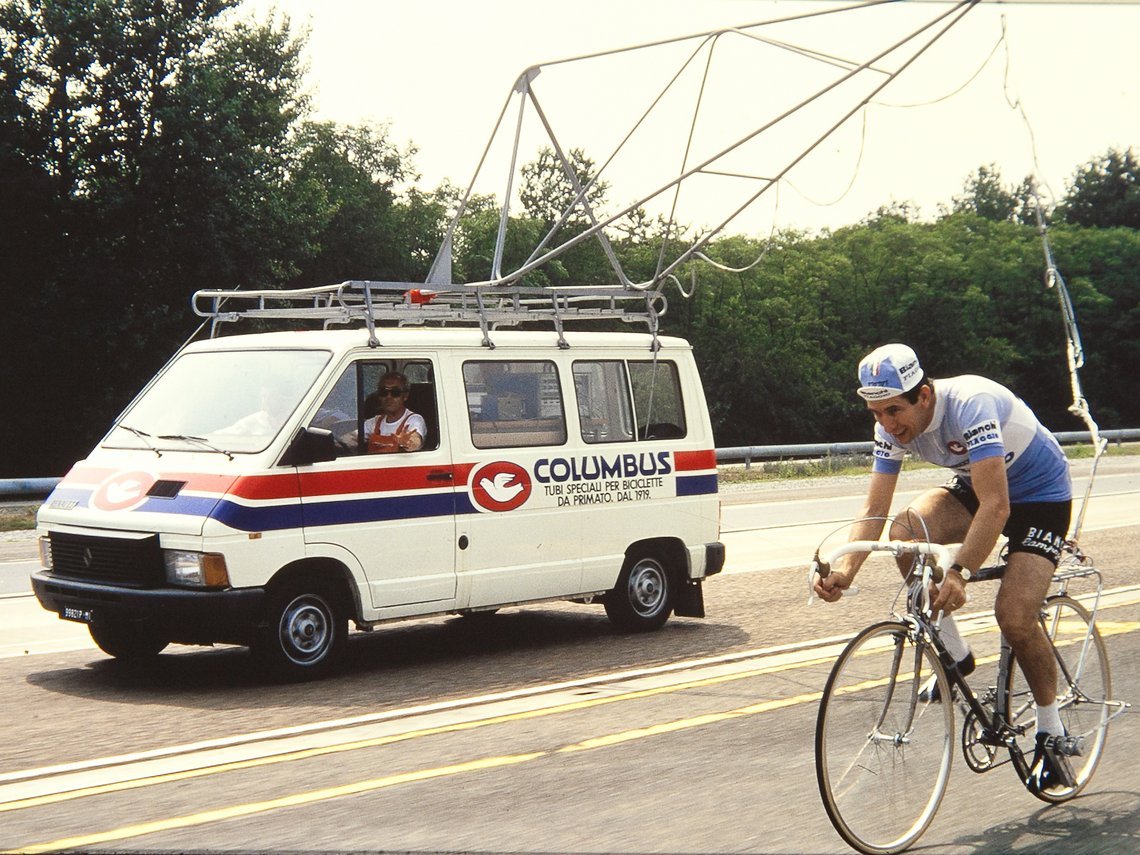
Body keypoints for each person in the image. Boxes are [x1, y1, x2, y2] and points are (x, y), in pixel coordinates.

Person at [813, 343, 1077, 793]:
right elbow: (875, 506)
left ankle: (1051, 731)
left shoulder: (970, 404)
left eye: (894, 411)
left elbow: (997, 507)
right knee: (903, 534)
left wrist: (960, 573)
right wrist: (847, 570)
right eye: (876, 414)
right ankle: (955, 654)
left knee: (1014, 618)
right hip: (979, 487)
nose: (888, 425)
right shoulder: (891, 426)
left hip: (1039, 497)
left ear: (925, 396)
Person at [362, 372, 426, 453]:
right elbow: (351, 438)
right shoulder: (374, 422)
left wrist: (408, 443)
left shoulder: (414, 420)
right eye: (383, 392)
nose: (389, 397)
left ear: (405, 396)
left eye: (395, 392)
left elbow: (416, 440)